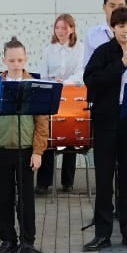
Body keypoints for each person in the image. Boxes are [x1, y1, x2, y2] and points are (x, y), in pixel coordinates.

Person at [81, 7, 127, 251]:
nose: (126, 30)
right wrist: (122, 63)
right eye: (121, 26)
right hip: (106, 120)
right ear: (112, 28)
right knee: (104, 178)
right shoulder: (103, 52)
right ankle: (102, 233)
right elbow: (91, 80)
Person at [0, 39, 49, 253]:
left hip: (26, 150)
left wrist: (38, 151)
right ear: (4, 60)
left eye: (20, 60)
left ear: (26, 59)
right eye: (11, 60)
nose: (16, 64)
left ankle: (28, 241)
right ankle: (8, 239)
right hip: (2, 150)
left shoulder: (33, 85)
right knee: (5, 198)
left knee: (26, 198)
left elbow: (41, 122)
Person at [35, 13, 83, 194]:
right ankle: (43, 182)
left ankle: (68, 181)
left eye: (64, 27)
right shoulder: (49, 50)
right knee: (49, 136)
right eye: (58, 28)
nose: (61, 31)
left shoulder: (80, 48)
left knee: (70, 135)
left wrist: (66, 82)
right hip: (53, 93)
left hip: (72, 95)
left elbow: (81, 72)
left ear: (72, 29)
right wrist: (53, 82)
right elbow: (43, 73)